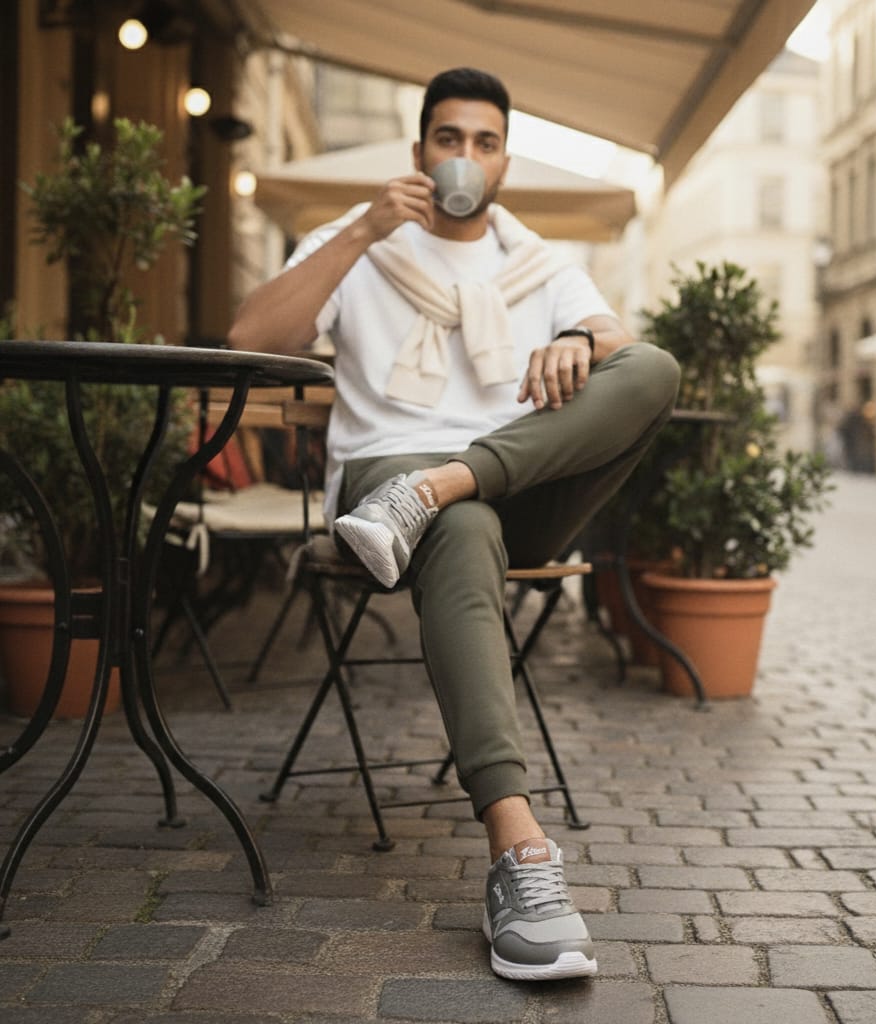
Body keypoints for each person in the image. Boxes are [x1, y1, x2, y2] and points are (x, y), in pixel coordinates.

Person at [229, 67, 680, 982]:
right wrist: (361, 229)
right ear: (420, 152)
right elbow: (248, 340)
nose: (465, 157)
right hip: (380, 482)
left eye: (483, 142)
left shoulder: (542, 263)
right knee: (467, 527)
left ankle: (441, 487)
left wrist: (578, 343)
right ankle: (518, 854)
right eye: (448, 138)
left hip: (490, 490)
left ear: (503, 159)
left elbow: (622, 352)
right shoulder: (357, 243)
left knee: (654, 368)